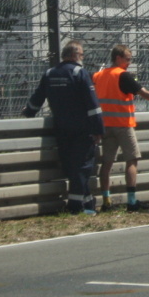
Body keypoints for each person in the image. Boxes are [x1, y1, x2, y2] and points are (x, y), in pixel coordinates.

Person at [23, 41, 104, 215]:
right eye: (81, 55)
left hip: (61, 128)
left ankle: (88, 204)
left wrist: (27, 114)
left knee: (70, 166)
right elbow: (93, 105)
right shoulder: (79, 72)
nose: (82, 58)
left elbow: (37, 98)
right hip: (82, 129)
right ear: (75, 55)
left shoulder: (50, 73)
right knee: (82, 166)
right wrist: (98, 129)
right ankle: (75, 206)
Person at [93, 44, 149, 212]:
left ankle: (106, 202)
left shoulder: (98, 76)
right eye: (127, 59)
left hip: (105, 125)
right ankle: (131, 201)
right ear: (118, 58)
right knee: (132, 159)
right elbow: (144, 93)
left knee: (107, 163)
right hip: (123, 125)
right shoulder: (123, 75)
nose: (129, 63)